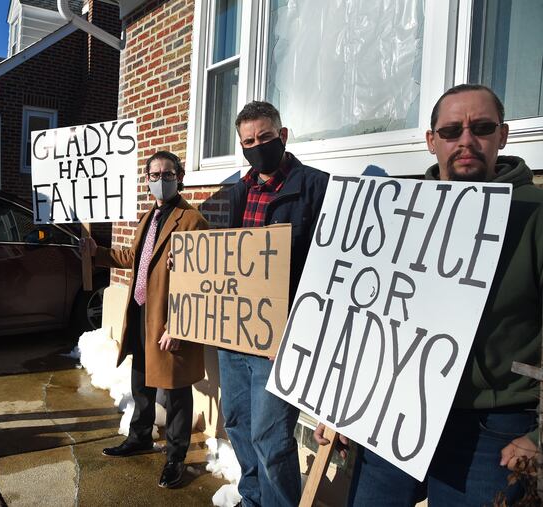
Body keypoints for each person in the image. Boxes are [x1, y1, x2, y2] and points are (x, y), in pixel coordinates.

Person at [315, 84, 542, 505]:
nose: (466, 141)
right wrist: (339, 401)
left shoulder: (535, 214)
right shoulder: (395, 211)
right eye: (452, 130)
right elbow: (361, 310)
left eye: (482, 128)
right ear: (431, 140)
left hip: (490, 431)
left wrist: (541, 436)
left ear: (504, 135)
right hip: (389, 411)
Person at [221, 101, 328, 506]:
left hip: (277, 341)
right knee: (237, 424)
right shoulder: (238, 191)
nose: (257, 146)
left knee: (271, 439)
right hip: (233, 337)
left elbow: (329, 266)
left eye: (265, 137)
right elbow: (221, 257)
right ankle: (252, 499)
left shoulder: (316, 187)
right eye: (248, 141)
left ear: (282, 136)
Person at [80, 150, 208, 488]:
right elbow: (135, 258)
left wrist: (180, 325)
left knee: (177, 390)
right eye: (154, 175)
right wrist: (98, 253)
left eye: (167, 174)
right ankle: (139, 436)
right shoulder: (149, 216)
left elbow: (199, 282)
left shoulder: (192, 220)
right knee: (141, 382)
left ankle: (176, 458)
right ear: (146, 179)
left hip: (168, 321)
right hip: (141, 314)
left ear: (180, 177)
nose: (160, 180)